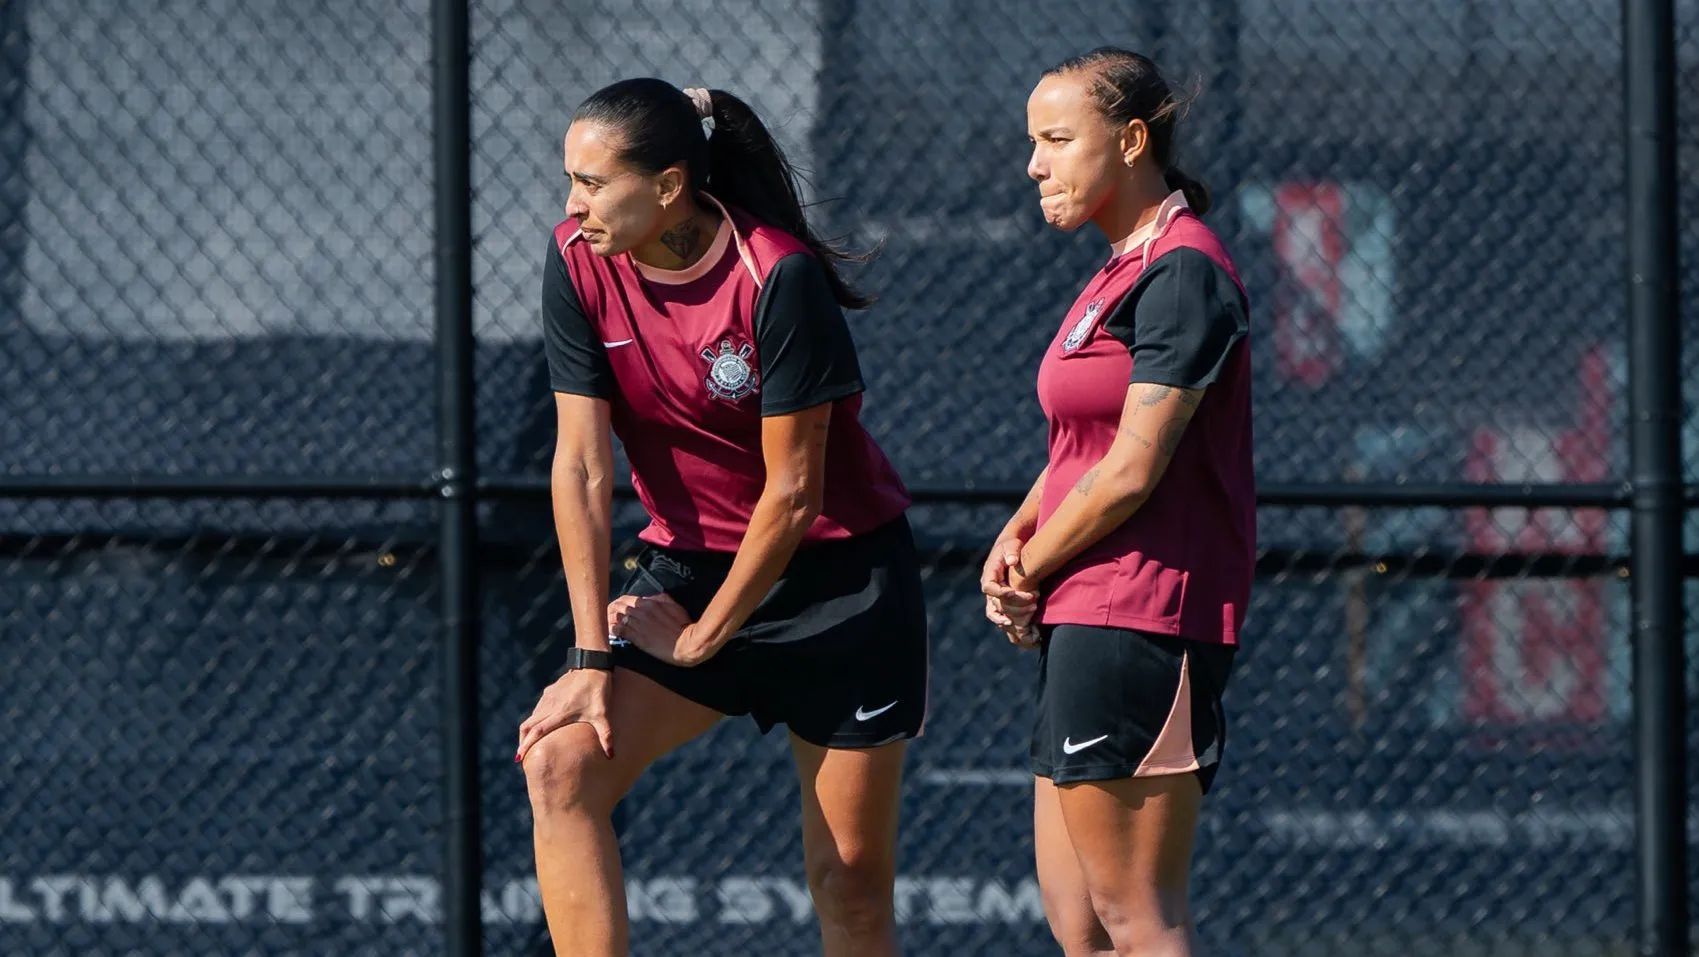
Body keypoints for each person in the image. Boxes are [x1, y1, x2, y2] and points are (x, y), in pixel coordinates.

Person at [514, 77, 928, 957]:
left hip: (838, 584)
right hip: (688, 570)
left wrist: (703, 640)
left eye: (591, 182)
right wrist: (590, 658)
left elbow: (793, 494)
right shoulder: (576, 258)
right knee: (559, 766)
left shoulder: (777, 275)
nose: (571, 202)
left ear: (668, 186)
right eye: (570, 180)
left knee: (849, 883)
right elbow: (582, 464)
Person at [980, 48, 1254, 957]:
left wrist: (1033, 561)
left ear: (1132, 139)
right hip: (1080, 610)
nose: (1034, 164)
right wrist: (1015, 538)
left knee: (1138, 917)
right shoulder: (1113, 271)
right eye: (1032, 142)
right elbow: (1082, 448)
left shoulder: (1183, 271)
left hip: (1141, 612)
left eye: (1057, 139)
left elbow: (1133, 470)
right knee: (1080, 920)